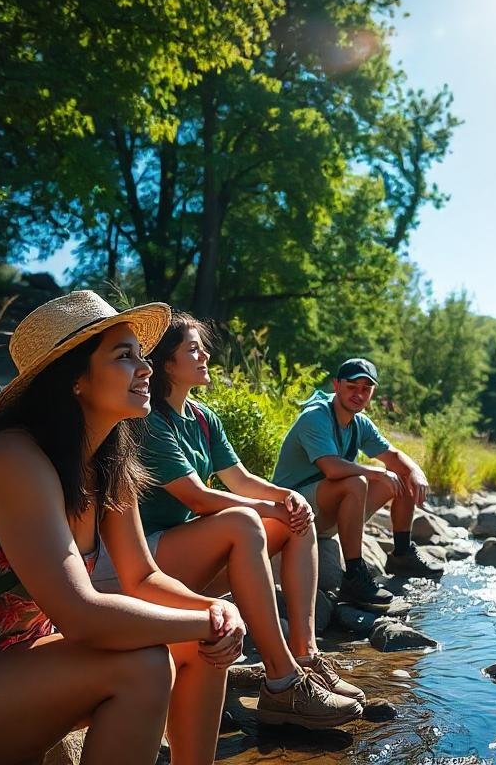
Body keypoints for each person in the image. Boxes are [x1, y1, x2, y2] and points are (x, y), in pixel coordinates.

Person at [0, 291, 246, 765]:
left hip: (9, 665)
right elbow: (81, 616)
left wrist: (215, 614)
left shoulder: (107, 463)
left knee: (202, 642)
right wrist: (205, 621)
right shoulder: (12, 459)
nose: (146, 369)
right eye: (125, 357)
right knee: (143, 665)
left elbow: (142, 577)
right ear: (74, 379)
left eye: (142, 357)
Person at [90, 312, 363, 729]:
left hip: (177, 554)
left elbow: (241, 480)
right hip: (133, 563)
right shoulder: (148, 421)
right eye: (193, 349)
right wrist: (267, 509)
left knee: (296, 520)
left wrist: (285, 498)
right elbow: (197, 498)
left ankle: (305, 657)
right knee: (242, 522)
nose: (206, 355)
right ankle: (281, 683)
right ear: (167, 363)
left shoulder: (202, 417)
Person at [273, 358, 445, 610]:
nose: (359, 394)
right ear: (336, 385)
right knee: (357, 482)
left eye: (366, 389)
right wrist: (376, 473)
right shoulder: (316, 416)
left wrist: (416, 472)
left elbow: (394, 456)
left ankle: (401, 554)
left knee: (401, 473)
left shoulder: (359, 423)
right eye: (352, 386)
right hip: (292, 514)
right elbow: (331, 468)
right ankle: (354, 576)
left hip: (323, 513)